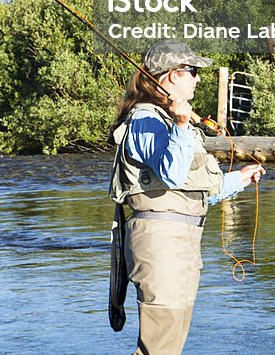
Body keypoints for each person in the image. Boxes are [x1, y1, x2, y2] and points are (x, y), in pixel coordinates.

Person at [109, 41, 265, 355]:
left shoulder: (168, 122)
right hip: (160, 244)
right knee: (160, 346)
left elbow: (193, 188)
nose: (197, 78)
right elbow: (172, 175)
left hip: (180, 243)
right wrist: (181, 124)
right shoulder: (146, 121)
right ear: (168, 77)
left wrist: (240, 179)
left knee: (170, 344)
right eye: (191, 71)